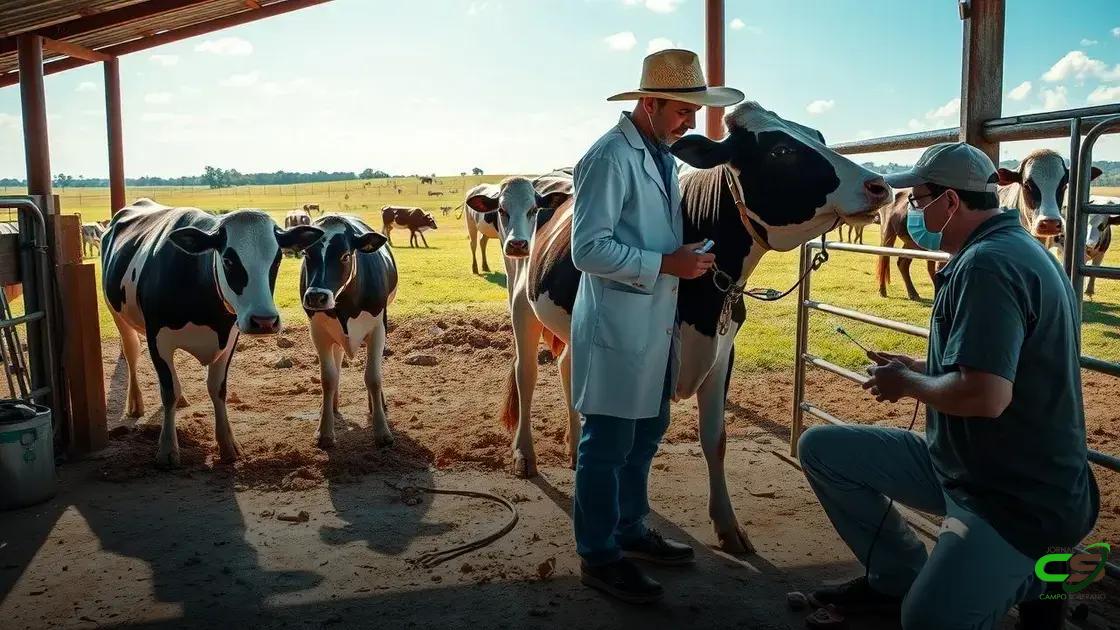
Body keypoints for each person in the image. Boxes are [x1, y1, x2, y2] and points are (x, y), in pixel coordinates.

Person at [796, 142, 1099, 629]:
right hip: (966, 464)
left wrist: (908, 383)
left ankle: (1037, 577)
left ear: (951, 202)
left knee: (928, 620)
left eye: (918, 199)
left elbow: (986, 395)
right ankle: (896, 579)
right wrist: (920, 363)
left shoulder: (986, 266)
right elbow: (993, 365)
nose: (912, 210)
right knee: (823, 449)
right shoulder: (1009, 250)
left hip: (1012, 494)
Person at [568, 49, 744, 604]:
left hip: (652, 323)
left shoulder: (662, 157)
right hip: (618, 324)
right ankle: (598, 555)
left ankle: (630, 528)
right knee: (607, 443)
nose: (690, 122)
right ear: (650, 103)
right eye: (683, 111)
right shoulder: (609, 157)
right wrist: (667, 263)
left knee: (645, 433)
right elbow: (586, 249)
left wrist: (685, 254)